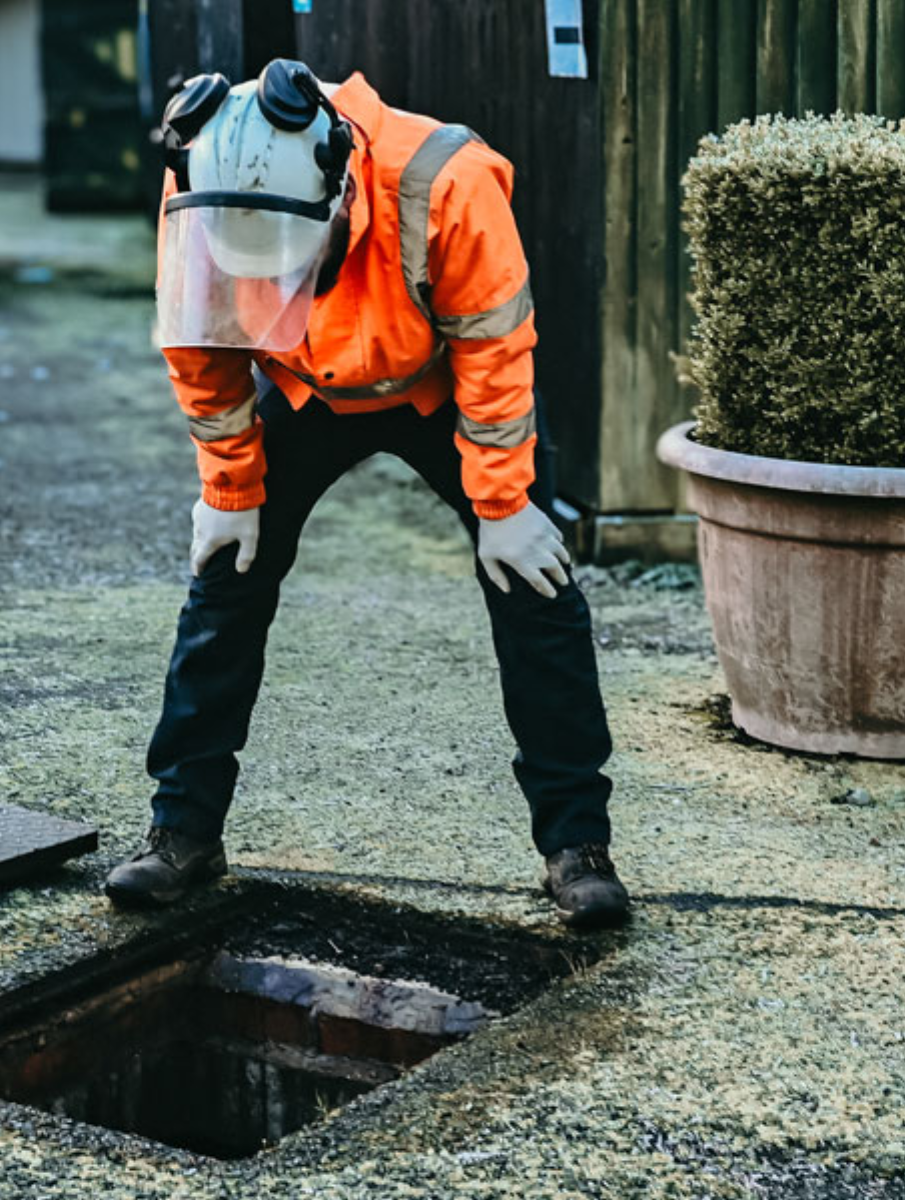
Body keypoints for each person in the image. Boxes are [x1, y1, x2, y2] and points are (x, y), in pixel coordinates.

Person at [105, 60, 629, 928]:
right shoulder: (200, 182)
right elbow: (200, 352)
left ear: (340, 184)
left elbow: (497, 353)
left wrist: (504, 508)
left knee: (536, 582)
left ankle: (578, 847)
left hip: (438, 386)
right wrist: (231, 488)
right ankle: (181, 832)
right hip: (306, 391)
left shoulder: (448, 182)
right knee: (227, 576)